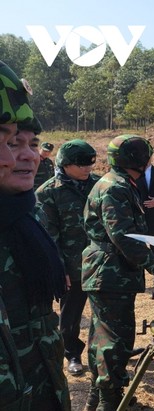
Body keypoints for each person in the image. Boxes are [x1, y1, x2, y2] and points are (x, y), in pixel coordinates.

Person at [0, 60, 71, 411]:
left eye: (34, 143)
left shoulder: (28, 214)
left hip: (43, 384)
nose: (28, 156)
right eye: (14, 143)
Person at [82, 134, 154, 410]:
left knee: (101, 336)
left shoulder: (117, 183)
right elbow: (122, 236)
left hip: (109, 270)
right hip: (111, 272)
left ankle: (99, 396)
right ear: (138, 159)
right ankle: (113, 401)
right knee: (116, 339)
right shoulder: (116, 187)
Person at [36, 140, 100, 377]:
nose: (88, 168)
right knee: (70, 317)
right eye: (82, 164)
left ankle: (105, 351)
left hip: (101, 263)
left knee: (107, 312)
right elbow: (49, 238)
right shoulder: (48, 193)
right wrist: (60, 269)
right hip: (72, 268)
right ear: (66, 164)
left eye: (91, 163)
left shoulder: (99, 184)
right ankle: (72, 354)